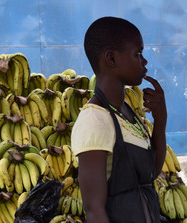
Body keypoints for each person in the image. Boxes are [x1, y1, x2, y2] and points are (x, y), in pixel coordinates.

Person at [71, 17, 167, 223]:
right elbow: (94, 210)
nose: (145, 62)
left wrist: (160, 121)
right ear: (111, 59)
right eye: (138, 54)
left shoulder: (126, 112)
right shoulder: (95, 120)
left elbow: (150, 175)